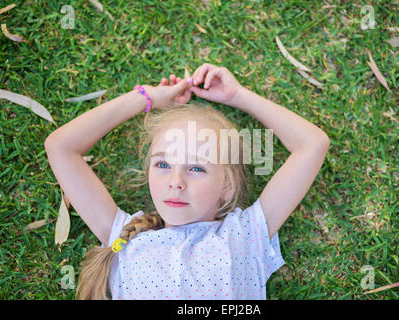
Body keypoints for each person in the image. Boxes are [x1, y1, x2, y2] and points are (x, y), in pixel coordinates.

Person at [44, 63, 330, 300]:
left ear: (227, 185)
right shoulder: (125, 238)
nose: (176, 181)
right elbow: (60, 147)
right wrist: (147, 98)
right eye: (163, 164)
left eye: (196, 168)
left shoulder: (245, 235)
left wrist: (237, 95)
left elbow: (312, 144)